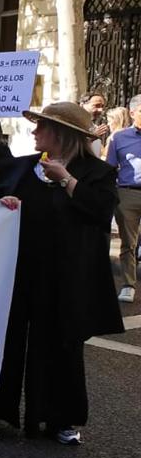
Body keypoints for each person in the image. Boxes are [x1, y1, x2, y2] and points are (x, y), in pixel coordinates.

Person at [0, 103, 123, 444]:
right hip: (20, 270)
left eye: (41, 127)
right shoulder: (26, 167)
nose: (33, 132)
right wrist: (6, 204)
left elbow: (101, 211)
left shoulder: (96, 172)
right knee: (7, 339)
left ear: (60, 134)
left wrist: (68, 181)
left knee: (62, 344)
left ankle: (60, 418)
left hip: (68, 275)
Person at [106, 94, 141, 303]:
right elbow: (110, 168)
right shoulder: (119, 138)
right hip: (127, 193)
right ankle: (128, 284)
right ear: (132, 112)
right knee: (128, 241)